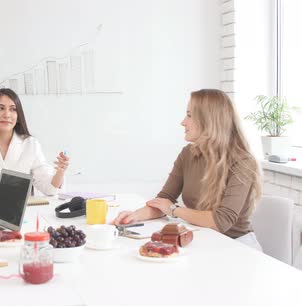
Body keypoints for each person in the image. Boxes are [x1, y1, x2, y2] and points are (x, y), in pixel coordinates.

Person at [113, 89, 263, 250]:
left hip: (237, 246)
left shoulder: (243, 162)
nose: (183, 122)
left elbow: (221, 222)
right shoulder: (188, 154)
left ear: (209, 120)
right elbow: (163, 200)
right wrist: (134, 216)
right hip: (203, 238)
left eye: (189, 115)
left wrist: (173, 210)